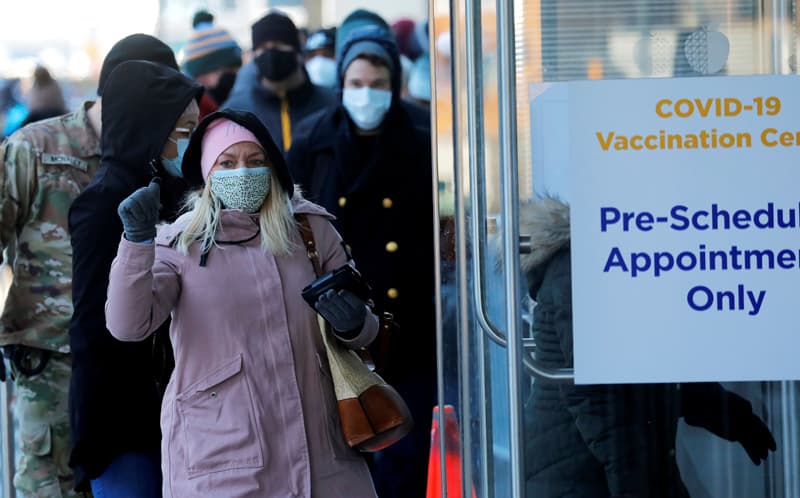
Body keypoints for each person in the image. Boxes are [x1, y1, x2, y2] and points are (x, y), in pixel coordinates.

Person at [104, 108, 378, 497]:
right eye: (227, 162)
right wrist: (136, 241)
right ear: (207, 173)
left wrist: (354, 324)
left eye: (255, 161)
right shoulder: (180, 243)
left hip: (324, 458)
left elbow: (366, 330)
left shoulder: (310, 231)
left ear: (273, 167)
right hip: (221, 464)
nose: (242, 172)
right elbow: (128, 325)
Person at [0, 33, 180, 497]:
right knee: (51, 487)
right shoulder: (34, 147)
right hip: (52, 360)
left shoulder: (161, 158)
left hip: (132, 368)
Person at [520, 197, 777, 498]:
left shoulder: (621, 262)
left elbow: (652, 361)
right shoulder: (583, 266)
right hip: (578, 471)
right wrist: (634, 485)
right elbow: (597, 397)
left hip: (607, 464)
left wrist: (727, 412)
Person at [288, 25, 436, 498]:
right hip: (336, 327)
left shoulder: (422, 136)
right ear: (341, 85)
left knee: (404, 451)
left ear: (394, 85)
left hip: (410, 324)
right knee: (346, 452)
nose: (366, 94)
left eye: (377, 85)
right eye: (356, 84)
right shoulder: (315, 138)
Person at [68, 60, 202, 497]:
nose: (191, 142)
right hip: (124, 426)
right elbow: (91, 325)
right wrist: (93, 436)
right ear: (151, 128)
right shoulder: (104, 201)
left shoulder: (176, 191)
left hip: (177, 410)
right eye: (183, 130)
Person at [221, 12, 335, 154]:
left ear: (297, 51)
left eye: (279, 45)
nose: (270, 53)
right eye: (262, 48)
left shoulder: (331, 104)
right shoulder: (236, 111)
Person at [182, 10, 242, 117]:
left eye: (234, 68)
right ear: (201, 75)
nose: (233, 74)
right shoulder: (191, 116)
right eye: (225, 69)